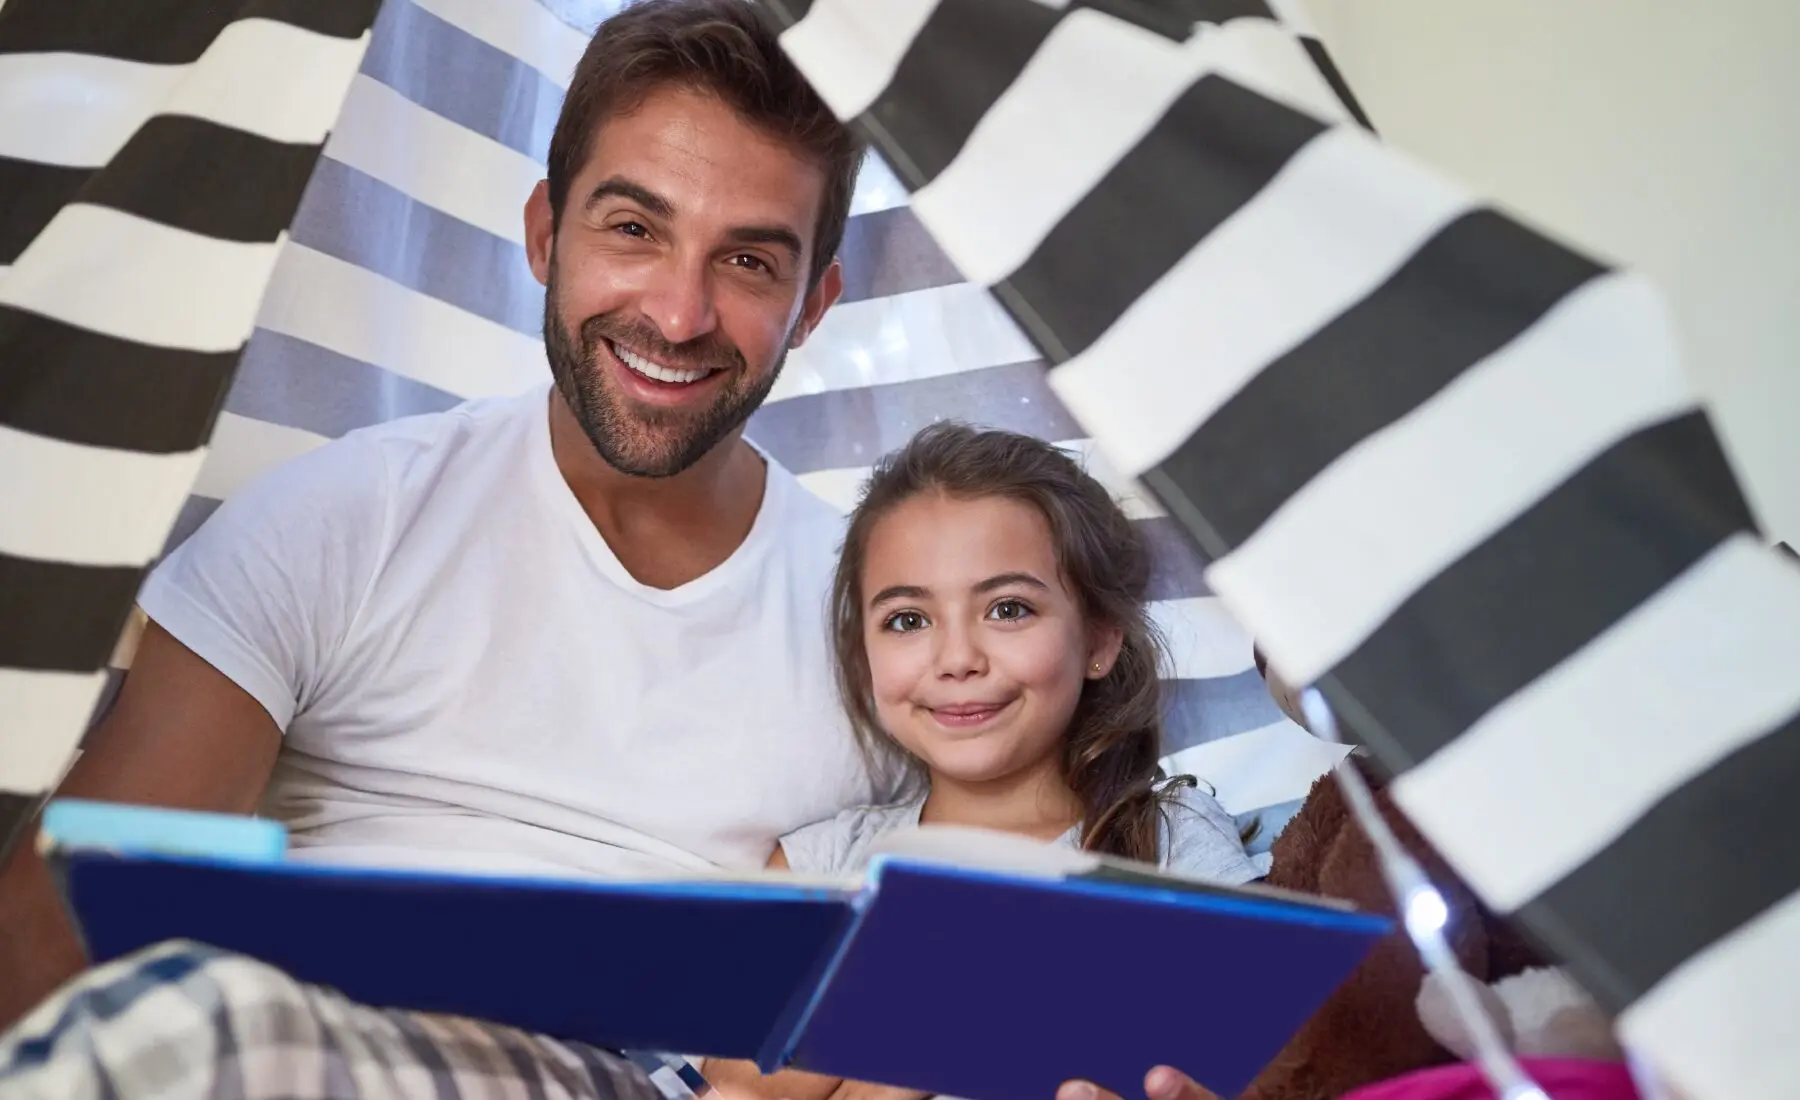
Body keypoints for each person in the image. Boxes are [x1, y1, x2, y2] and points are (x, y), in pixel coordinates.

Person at [0, 4, 1223, 1100]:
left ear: (813, 306)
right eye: (635, 226)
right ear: (544, 231)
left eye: (748, 260)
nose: (679, 312)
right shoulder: (341, 518)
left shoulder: (885, 624)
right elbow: (80, 914)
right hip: (276, 1041)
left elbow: (956, 941)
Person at [701, 424, 1265, 1100]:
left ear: (1099, 639)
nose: (958, 657)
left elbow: (1261, 1063)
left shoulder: (1170, 843)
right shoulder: (820, 867)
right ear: (864, 657)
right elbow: (735, 1085)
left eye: (1008, 608)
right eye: (908, 620)